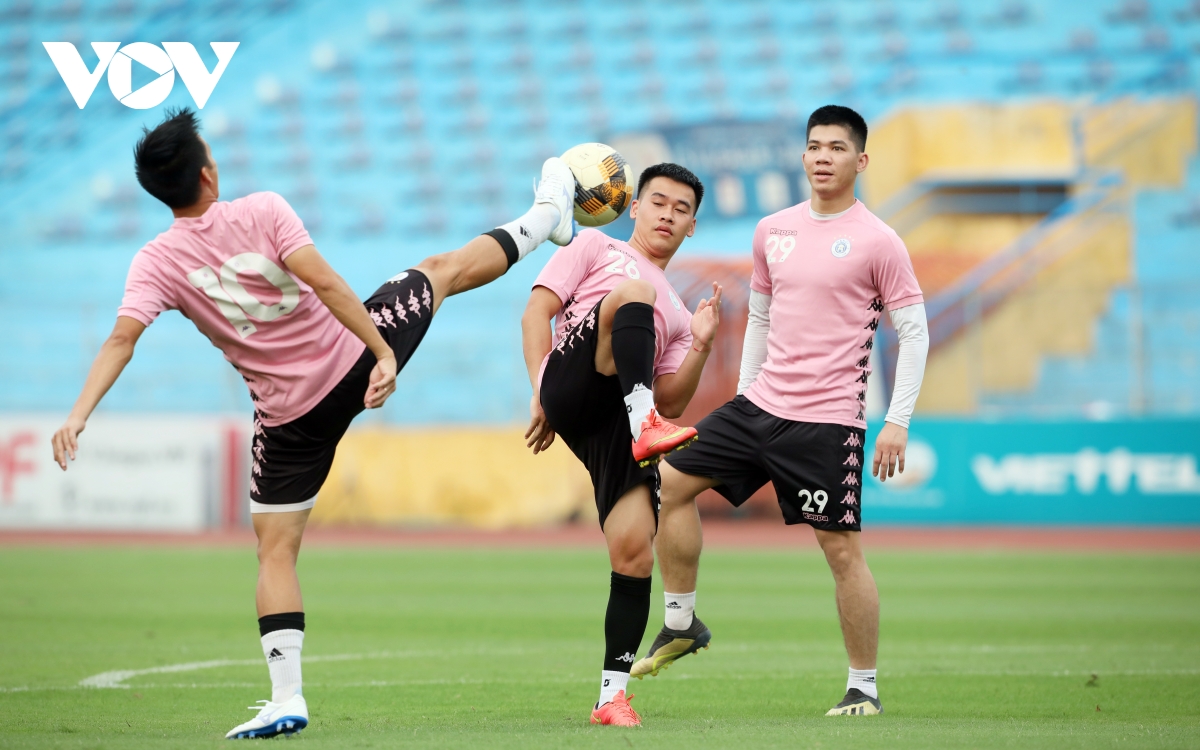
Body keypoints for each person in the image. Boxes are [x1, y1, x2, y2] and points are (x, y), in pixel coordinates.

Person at [49, 107, 579, 739]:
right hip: (353, 362)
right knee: (442, 270)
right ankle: (547, 216)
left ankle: (287, 696)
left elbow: (120, 340)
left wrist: (78, 415)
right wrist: (382, 353)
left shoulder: (154, 262)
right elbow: (327, 285)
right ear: (209, 174)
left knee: (275, 552)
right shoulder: (264, 209)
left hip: (288, 421)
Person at [635, 105, 930, 718]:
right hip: (759, 406)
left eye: (836, 148)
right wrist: (744, 394)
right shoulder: (773, 230)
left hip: (827, 422)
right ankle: (681, 622)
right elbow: (763, 318)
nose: (823, 157)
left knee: (841, 551)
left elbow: (914, 331)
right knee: (663, 484)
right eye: (814, 146)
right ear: (803, 156)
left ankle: (864, 688)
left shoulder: (879, 240)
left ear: (860, 161)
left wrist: (897, 420)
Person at [522, 163, 722, 727]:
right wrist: (539, 388)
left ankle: (610, 698)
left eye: (681, 210)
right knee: (632, 292)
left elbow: (677, 400)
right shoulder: (594, 246)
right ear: (634, 208)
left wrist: (702, 347)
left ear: (692, 228)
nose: (668, 214)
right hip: (573, 382)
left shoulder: (681, 317)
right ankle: (643, 422)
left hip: (613, 421)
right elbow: (538, 310)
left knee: (634, 552)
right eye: (658, 202)